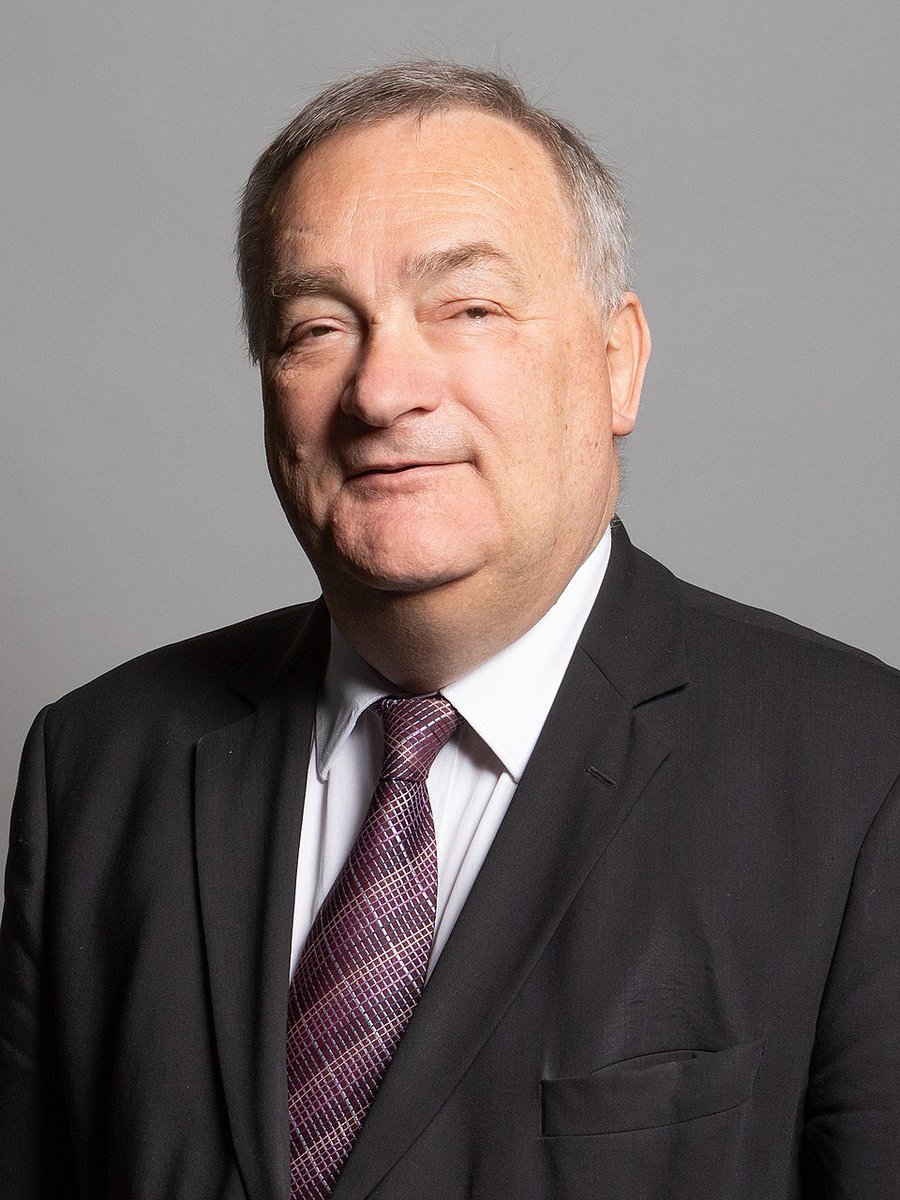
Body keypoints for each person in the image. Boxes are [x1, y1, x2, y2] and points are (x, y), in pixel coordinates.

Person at [1, 60, 898, 1200]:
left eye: (469, 310)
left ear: (616, 365)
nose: (382, 392)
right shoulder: (96, 766)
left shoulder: (861, 773)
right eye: (318, 326)